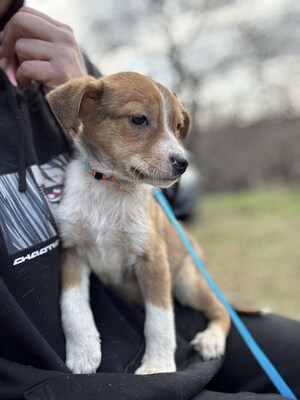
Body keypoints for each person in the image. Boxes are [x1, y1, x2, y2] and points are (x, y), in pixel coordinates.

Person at [0, 2, 299, 399]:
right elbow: (75, 254)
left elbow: (167, 188)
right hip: (71, 371)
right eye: (140, 121)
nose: (176, 152)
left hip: (161, 317)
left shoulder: (61, 57)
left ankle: (220, 320)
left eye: (174, 129)